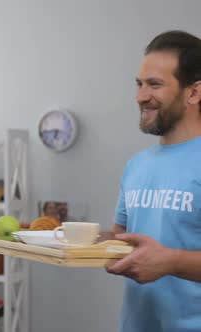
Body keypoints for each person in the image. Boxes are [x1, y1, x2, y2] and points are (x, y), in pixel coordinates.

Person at [106, 30, 201, 332]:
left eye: (155, 84)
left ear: (194, 93)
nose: (141, 96)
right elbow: (122, 240)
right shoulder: (137, 165)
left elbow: (160, 258)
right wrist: (60, 239)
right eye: (139, 84)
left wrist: (170, 261)